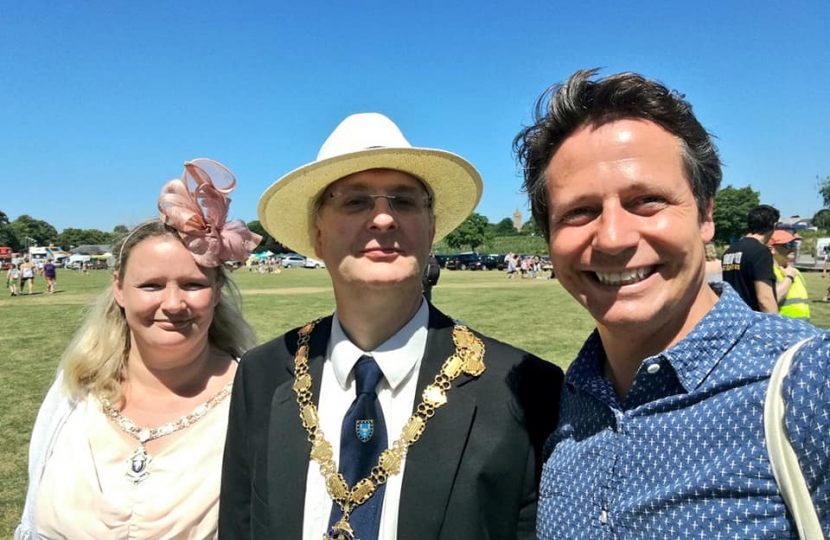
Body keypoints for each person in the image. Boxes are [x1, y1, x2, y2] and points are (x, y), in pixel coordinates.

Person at [514, 68, 829, 538]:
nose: (614, 238)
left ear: (705, 216)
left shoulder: (808, 385)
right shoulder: (563, 401)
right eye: (579, 211)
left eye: (648, 201)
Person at [219, 112, 563, 540]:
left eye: (403, 201)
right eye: (355, 201)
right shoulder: (264, 372)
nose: (383, 219)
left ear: (431, 229)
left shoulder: (523, 387)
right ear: (318, 234)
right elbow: (241, 525)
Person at [15, 158, 261, 540]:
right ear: (119, 289)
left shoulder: (253, 398)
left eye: (193, 285)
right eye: (151, 285)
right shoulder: (74, 393)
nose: (173, 303)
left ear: (216, 292)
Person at [721, 204, 779, 312]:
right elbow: (765, 299)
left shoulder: (729, 252)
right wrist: (775, 326)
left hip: (733, 316)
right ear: (774, 225)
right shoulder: (760, 251)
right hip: (753, 321)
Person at [768, 230, 811, 322]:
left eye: (793, 244)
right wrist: (789, 277)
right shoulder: (768, 271)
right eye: (787, 245)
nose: (792, 248)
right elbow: (769, 301)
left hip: (804, 329)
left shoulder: (796, 272)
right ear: (772, 249)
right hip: (784, 330)